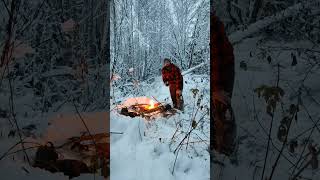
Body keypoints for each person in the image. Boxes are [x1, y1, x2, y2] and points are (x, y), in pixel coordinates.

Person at [211, 13, 236, 156]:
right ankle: (216, 145)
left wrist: (217, 88)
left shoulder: (212, 25)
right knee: (215, 110)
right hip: (217, 69)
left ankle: (226, 153)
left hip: (223, 69)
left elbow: (216, 58)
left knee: (222, 109)